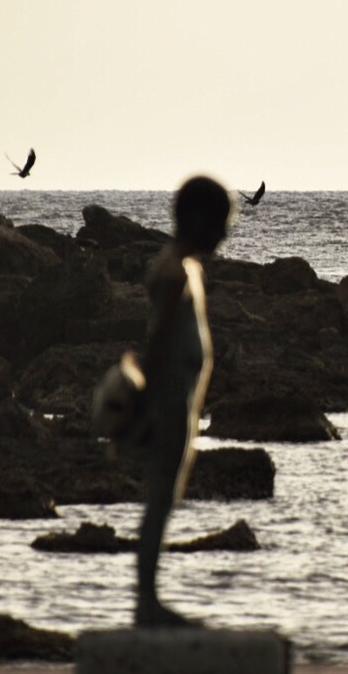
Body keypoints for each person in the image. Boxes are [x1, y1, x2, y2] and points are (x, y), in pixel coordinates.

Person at [96, 175, 232, 627]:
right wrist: (145, 407)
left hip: (182, 402)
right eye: (220, 223)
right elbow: (155, 343)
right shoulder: (173, 271)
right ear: (197, 220)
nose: (224, 234)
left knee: (164, 499)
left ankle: (149, 599)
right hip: (168, 402)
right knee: (158, 499)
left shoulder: (186, 267)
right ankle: (147, 603)